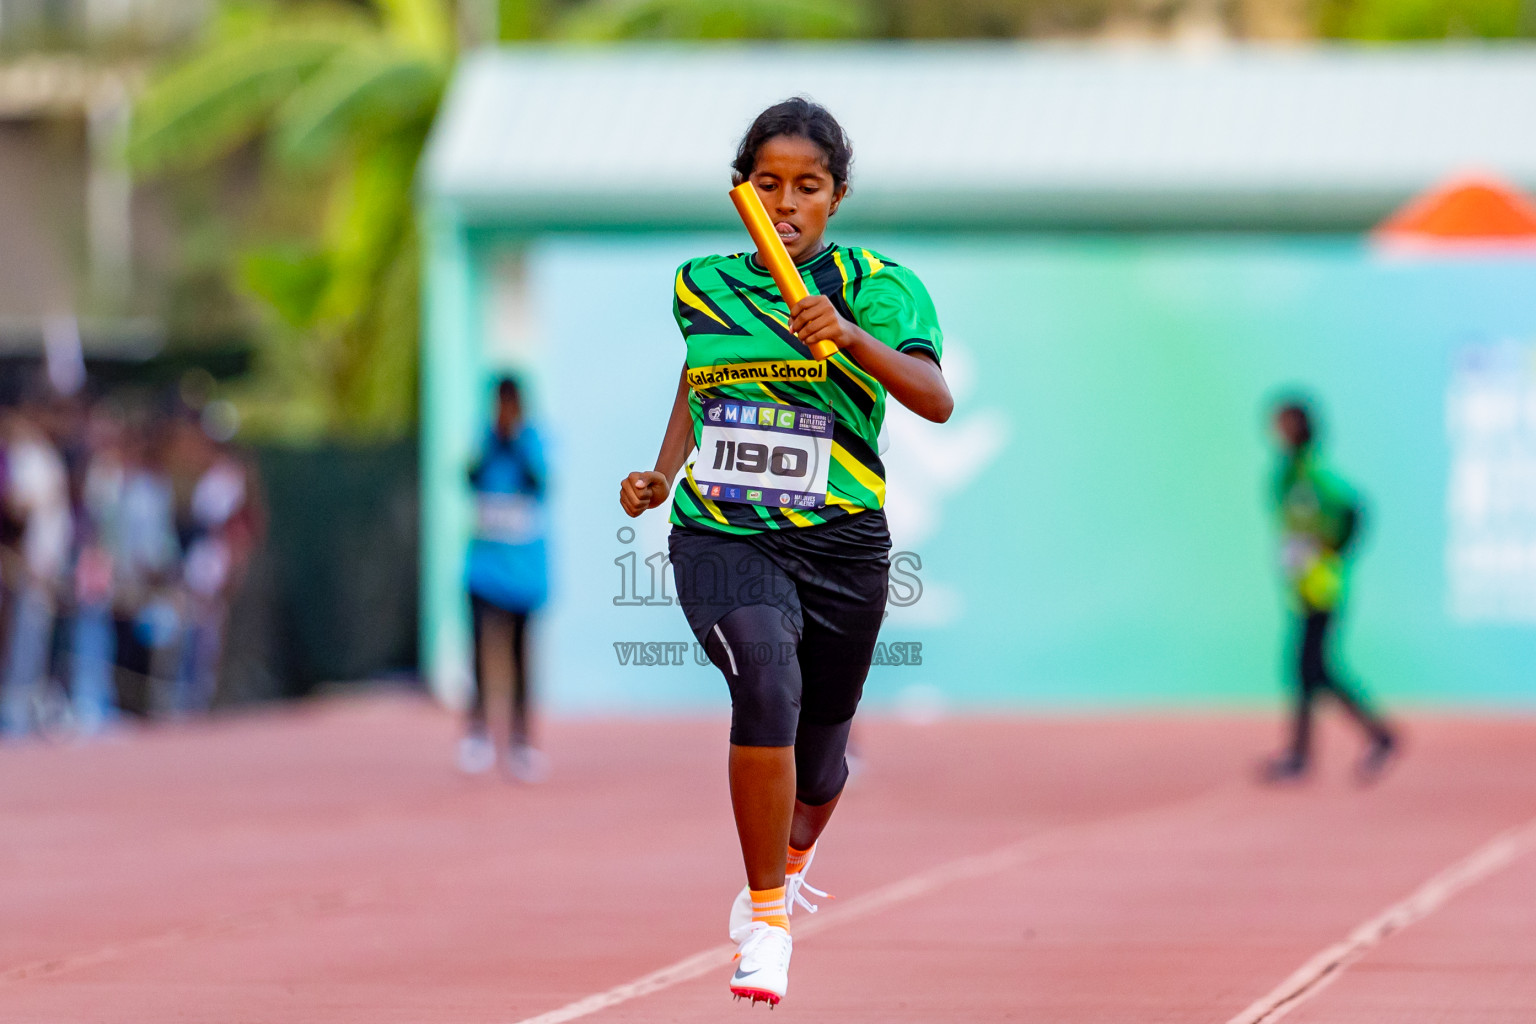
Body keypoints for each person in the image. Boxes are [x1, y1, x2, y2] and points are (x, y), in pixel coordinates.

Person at [619, 98, 953, 1007]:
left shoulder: (877, 284)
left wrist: (847, 336)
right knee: (766, 681)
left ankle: (790, 860)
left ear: (837, 195)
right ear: (745, 191)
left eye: (807, 187)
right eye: (768, 185)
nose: (787, 203)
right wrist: (659, 474)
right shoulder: (704, 284)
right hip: (723, 533)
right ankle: (768, 924)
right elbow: (702, 380)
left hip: (843, 543)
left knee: (823, 766)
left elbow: (934, 398)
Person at [1262, 398, 1397, 784]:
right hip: (1302, 586)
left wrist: (1336, 548)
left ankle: (1315, 751)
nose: (1277, 432)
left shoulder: (1314, 473)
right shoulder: (1286, 475)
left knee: (1311, 669)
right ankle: (1362, 739)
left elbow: (1354, 508)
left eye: (1285, 425)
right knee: (1311, 671)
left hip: (1323, 587)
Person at [461, 376, 549, 781]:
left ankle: (521, 741)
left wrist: (515, 444)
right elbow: (470, 478)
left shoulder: (532, 441)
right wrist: (492, 443)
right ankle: (477, 734)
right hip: (483, 568)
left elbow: (541, 483)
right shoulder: (484, 439)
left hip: (523, 573)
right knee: (479, 651)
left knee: (520, 658)